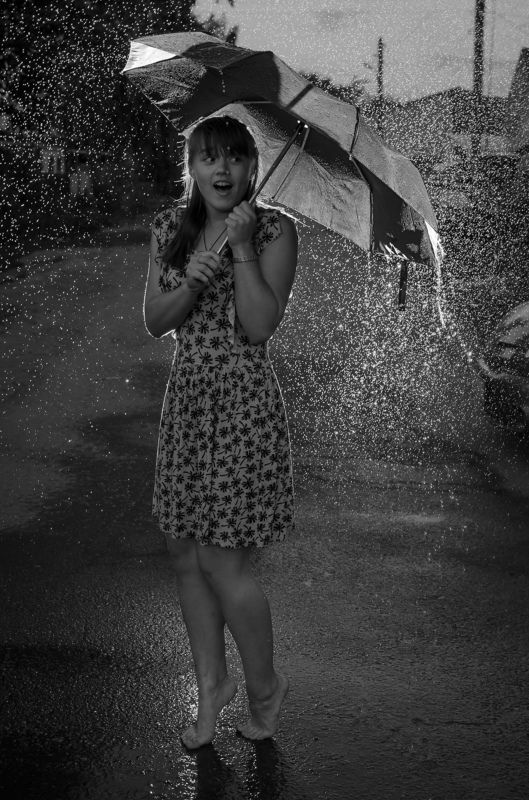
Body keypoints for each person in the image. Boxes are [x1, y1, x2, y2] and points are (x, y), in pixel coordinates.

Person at [143, 116, 298, 749]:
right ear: (192, 168)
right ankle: (212, 686)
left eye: (235, 157)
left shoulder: (273, 231)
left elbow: (259, 327)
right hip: (187, 404)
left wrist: (239, 250)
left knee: (222, 560)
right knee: (185, 552)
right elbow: (155, 320)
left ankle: (265, 688)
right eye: (209, 157)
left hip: (243, 409)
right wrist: (192, 283)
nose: (222, 169)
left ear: (252, 168)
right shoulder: (168, 228)